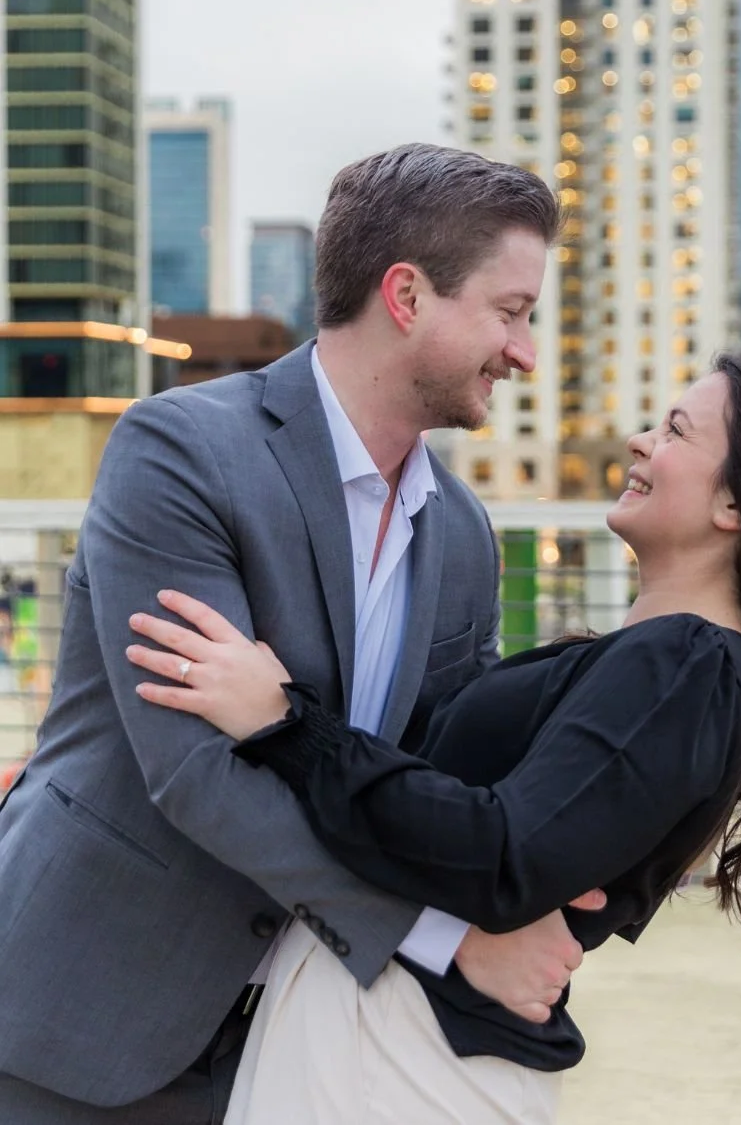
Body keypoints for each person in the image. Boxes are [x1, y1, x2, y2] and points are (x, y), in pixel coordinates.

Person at [128, 352, 741, 1125]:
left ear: (736, 503)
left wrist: (287, 724)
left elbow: (504, 859)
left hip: (407, 1050)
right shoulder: (674, 665)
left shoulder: (688, 666)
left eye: (676, 431)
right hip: (399, 1034)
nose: (641, 441)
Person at [0, 144, 606, 1123]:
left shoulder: (461, 532)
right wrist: (447, 938)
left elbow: (432, 775)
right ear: (406, 295)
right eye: (510, 312)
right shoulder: (181, 451)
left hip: (299, 1035)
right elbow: (195, 772)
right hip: (86, 1009)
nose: (525, 352)